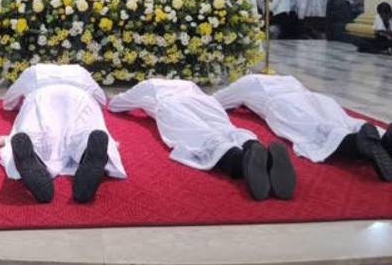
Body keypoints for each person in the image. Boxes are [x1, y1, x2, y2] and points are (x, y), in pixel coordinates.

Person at [214, 74, 392, 183]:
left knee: (315, 132)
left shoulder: (247, 81)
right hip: (317, 99)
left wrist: (240, 104)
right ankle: (389, 139)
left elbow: (215, 102)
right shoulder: (287, 78)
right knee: (345, 121)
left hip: (283, 105)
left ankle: (358, 145)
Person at [109, 79, 295, 201]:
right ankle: (255, 148)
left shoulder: (149, 84)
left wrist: (136, 104)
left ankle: (238, 161)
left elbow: (117, 105)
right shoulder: (189, 83)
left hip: (173, 104)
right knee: (227, 129)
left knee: (198, 136)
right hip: (206, 102)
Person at [0, 64, 127, 203]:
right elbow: (102, 100)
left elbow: (8, 101)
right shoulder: (80, 71)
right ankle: (87, 151)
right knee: (84, 131)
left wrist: (17, 106)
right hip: (80, 98)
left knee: (34, 133)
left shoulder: (34, 70)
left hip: (40, 97)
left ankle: (33, 156)